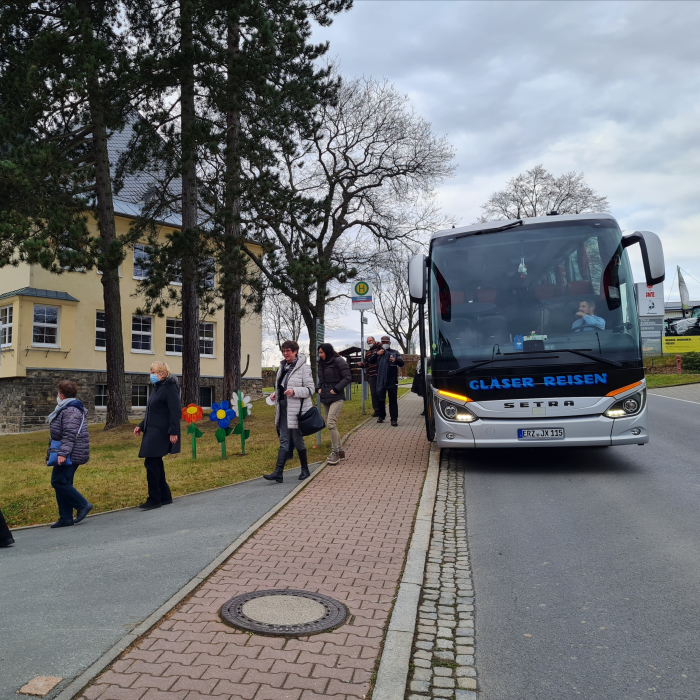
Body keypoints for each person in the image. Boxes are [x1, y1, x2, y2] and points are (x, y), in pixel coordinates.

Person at [264, 341, 314, 483]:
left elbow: (311, 389)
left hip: (297, 411)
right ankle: (278, 472)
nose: (286, 353)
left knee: (298, 440)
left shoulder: (304, 368)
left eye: (289, 351)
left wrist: (294, 391)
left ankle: (305, 469)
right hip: (283, 410)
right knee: (284, 440)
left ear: (295, 351)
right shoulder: (282, 367)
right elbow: (281, 387)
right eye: (284, 351)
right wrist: (275, 394)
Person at [133, 362, 181, 510]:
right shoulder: (157, 388)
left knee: (152, 464)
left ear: (163, 374)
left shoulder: (169, 388)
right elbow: (152, 411)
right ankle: (165, 496)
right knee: (155, 463)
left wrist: (174, 431)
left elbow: (175, 411)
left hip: (160, 432)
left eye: (154, 372)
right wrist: (141, 425)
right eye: (151, 372)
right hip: (152, 431)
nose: (152, 375)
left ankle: (154, 499)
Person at [47, 380, 92, 528]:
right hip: (70, 451)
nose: (57, 396)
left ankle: (82, 505)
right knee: (64, 483)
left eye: (58, 393)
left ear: (62, 394)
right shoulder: (67, 407)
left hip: (71, 452)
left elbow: (69, 434)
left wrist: (63, 453)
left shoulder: (70, 410)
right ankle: (65, 517)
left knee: (58, 481)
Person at [317, 343, 352, 465]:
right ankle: (340, 451)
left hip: (337, 397)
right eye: (319, 353)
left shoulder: (338, 361)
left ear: (327, 351)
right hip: (325, 397)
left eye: (322, 352)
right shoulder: (321, 363)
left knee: (331, 424)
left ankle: (335, 452)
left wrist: (336, 389)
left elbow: (347, 377)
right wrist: (319, 388)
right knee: (331, 424)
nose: (320, 355)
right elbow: (321, 379)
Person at [369, 335, 404, 426]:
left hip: (392, 380)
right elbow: (370, 361)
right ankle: (381, 416)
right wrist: (377, 354)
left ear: (389, 343)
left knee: (393, 400)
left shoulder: (395, 352)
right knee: (380, 399)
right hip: (380, 380)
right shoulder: (378, 352)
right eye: (383, 342)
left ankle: (394, 419)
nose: (385, 344)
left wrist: (395, 360)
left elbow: (401, 363)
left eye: (386, 342)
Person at [360, 336, 382, 416]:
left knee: (380, 392)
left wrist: (378, 344)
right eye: (368, 341)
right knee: (373, 393)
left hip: (379, 374)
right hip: (372, 375)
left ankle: (381, 410)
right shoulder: (368, 352)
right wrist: (362, 365)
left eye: (370, 341)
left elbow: (382, 345)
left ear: (374, 341)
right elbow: (367, 363)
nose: (369, 342)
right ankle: (376, 410)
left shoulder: (379, 349)